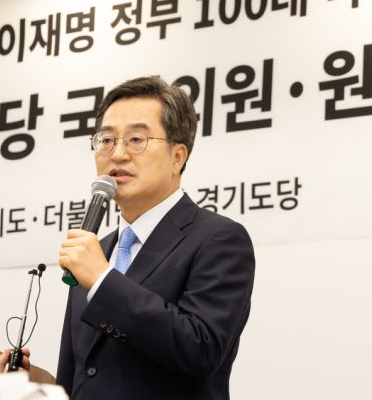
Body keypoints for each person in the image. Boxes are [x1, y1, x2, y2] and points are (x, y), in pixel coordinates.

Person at [56, 76, 255, 400]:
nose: (117, 154)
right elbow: (76, 373)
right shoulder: (95, 250)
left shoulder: (219, 239)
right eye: (106, 139)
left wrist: (103, 281)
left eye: (136, 139)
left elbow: (201, 349)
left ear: (178, 157)